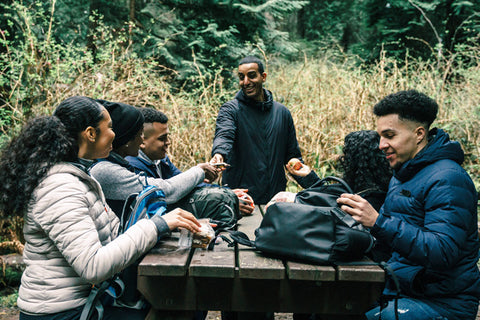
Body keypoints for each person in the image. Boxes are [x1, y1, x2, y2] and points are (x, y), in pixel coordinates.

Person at [0, 96, 202, 319]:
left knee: (179, 305)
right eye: (110, 127)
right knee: (177, 309)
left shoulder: (79, 176)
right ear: (91, 133)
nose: (115, 135)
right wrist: (156, 226)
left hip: (84, 303)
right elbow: (93, 266)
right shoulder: (59, 188)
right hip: (62, 312)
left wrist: (167, 226)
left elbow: (116, 235)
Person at [337, 90, 480, 320]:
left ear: (419, 134)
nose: (382, 145)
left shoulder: (448, 179)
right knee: (328, 307)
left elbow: (443, 251)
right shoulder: (404, 173)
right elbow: (386, 239)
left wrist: (378, 222)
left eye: (390, 135)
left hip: (443, 303)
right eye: (380, 137)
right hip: (401, 289)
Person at [90, 100, 218, 216]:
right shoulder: (105, 170)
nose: (141, 140)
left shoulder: (156, 160)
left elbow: (179, 180)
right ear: (126, 139)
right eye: (139, 135)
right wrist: (199, 171)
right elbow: (165, 191)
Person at [210, 55, 309, 205]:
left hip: (274, 201)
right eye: (241, 77)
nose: (246, 82)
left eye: (251, 76)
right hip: (243, 201)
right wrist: (219, 154)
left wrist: (315, 187)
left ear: (263, 77)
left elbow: (292, 156)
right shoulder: (230, 110)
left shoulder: (282, 113)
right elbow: (224, 134)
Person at [286, 130, 393, 263]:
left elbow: (330, 204)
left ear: (352, 160)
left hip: (366, 265)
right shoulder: (387, 189)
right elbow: (332, 198)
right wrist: (309, 177)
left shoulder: (365, 198)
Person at [126, 107, 254, 216]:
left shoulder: (161, 160)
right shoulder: (133, 169)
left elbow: (185, 184)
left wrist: (227, 193)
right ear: (142, 141)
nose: (168, 143)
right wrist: (221, 202)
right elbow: (167, 197)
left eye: (168, 137)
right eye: (162, 139)